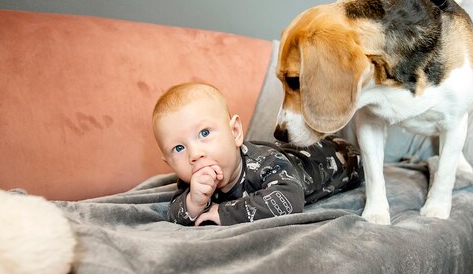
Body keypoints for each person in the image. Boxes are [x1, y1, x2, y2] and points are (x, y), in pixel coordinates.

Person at [152, 82, 363, 226]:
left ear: (235, 132)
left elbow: (290, 200)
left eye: (204, 133)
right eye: (179, 148)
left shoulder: (267, 163)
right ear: (169, 163)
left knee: (348, 161)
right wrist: (194, 203)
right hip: (288, 154)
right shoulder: (193, 180)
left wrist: (222, 213)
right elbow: (174, 213)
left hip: (340, 158)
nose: (195, 154)